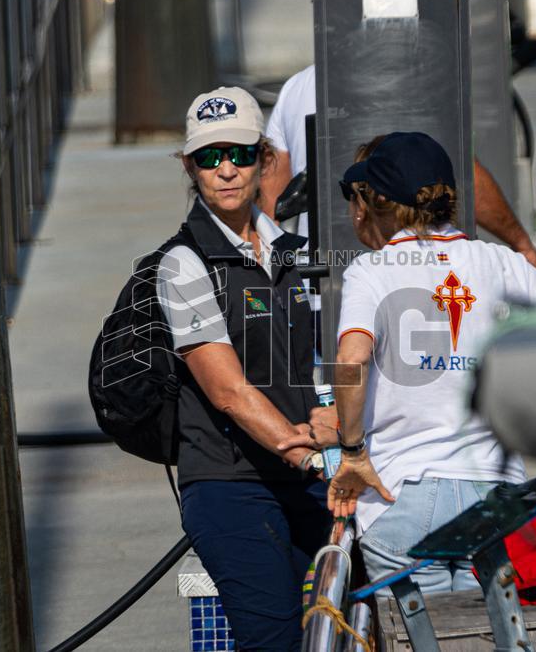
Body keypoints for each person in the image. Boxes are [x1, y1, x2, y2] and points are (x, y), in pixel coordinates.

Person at [281, 132, 536, 594]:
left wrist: (353, 452)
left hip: (402, 498)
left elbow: (351, 359)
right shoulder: (500, 263)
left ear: (370, 204)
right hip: (497, 499)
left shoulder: (370, 271)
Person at [160, 86, 336, 649]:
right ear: (191, 167)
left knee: (335, 627)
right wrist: (312, 454)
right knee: (274, 640)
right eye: (209, 157)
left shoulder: (290, 250)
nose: (227, 169)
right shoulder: (183, 264)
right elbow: (229, 391)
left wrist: (334, 425)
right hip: (230, 483)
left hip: (296, 472)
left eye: (239, 152)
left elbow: (315, 366)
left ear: (266, 159)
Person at [259, 64, 536, 275]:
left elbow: (271, 202)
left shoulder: (295, 88)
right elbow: (463, 173)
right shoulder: (415, 82)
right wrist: (522, 244)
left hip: (323, 282)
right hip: (414, 279)